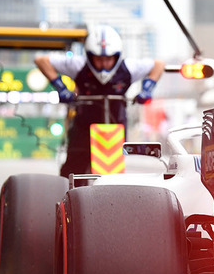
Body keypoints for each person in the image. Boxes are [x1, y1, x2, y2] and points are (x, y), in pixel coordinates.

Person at [34, 24, 166, 177]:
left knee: (112, 173)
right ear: (90, 56)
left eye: (108, 59)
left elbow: (158, 65)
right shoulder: (78, 65)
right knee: (72, 169)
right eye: (99, 59)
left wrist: (147, 89)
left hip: (114, 127)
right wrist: (60, 87)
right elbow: (41, 60)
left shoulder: (129, 67)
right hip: (83, 126)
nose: (104, 64)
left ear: (116, 56)